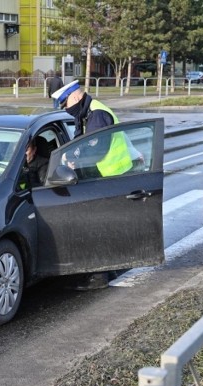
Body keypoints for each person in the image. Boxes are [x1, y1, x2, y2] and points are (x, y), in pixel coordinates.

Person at [51, 80, 132, 290]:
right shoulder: (85, 113)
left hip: (110, 176)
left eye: (66, 103)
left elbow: (97, 150)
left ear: (76, 97)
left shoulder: (96, 114)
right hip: (106, 176)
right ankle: (112, 268)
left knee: (98, 227)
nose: (66, 109)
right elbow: (80, 142)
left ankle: (98, 277)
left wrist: (75, 161)